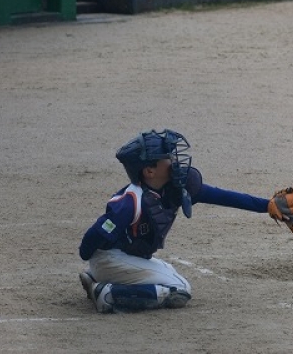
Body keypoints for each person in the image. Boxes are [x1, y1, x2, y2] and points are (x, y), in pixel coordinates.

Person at [78, 129, 272, 313]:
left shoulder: (173, 187)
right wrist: (99, 262)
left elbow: (221, 196)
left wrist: (267, 206)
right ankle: (108, 294)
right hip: (111, 259)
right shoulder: (131, 203)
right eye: (167, 157)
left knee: (170, 273)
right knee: (179, 289)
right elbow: (91, 239)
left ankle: (97, 278)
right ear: (149, 171)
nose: (174, 160)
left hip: (123, 259)